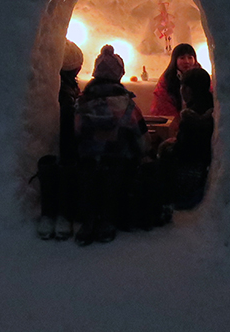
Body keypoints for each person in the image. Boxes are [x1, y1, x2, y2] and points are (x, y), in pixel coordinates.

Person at [73, 44, 148, 245]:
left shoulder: (82, 102)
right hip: (118, 160)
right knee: (113, 184)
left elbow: (77, 131)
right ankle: (107, 221)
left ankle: (88, 222)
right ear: (119, 74)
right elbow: (140, 135)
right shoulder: (126, 103)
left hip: (88, 160)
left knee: (89, 183)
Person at [36, 40, 83, 241]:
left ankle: (53, 212)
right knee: (66, 163)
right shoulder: (65, 92)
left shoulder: (65, 87)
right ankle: (61, 212)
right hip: (63, 139)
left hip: (59, 138)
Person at [159, 66, 214, 210]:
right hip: (203, 168)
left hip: (189, 176)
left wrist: (167, 146)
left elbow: (183, 151)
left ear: (187, 90)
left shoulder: (191, 118)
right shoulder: (213, 108)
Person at [149, 43, 202, 128]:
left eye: (190, 57)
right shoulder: (167, 79)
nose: (187, 61)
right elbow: (162, 103)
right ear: (175, 60)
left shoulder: (201, 76)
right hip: (176, 121)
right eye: (182, 58)